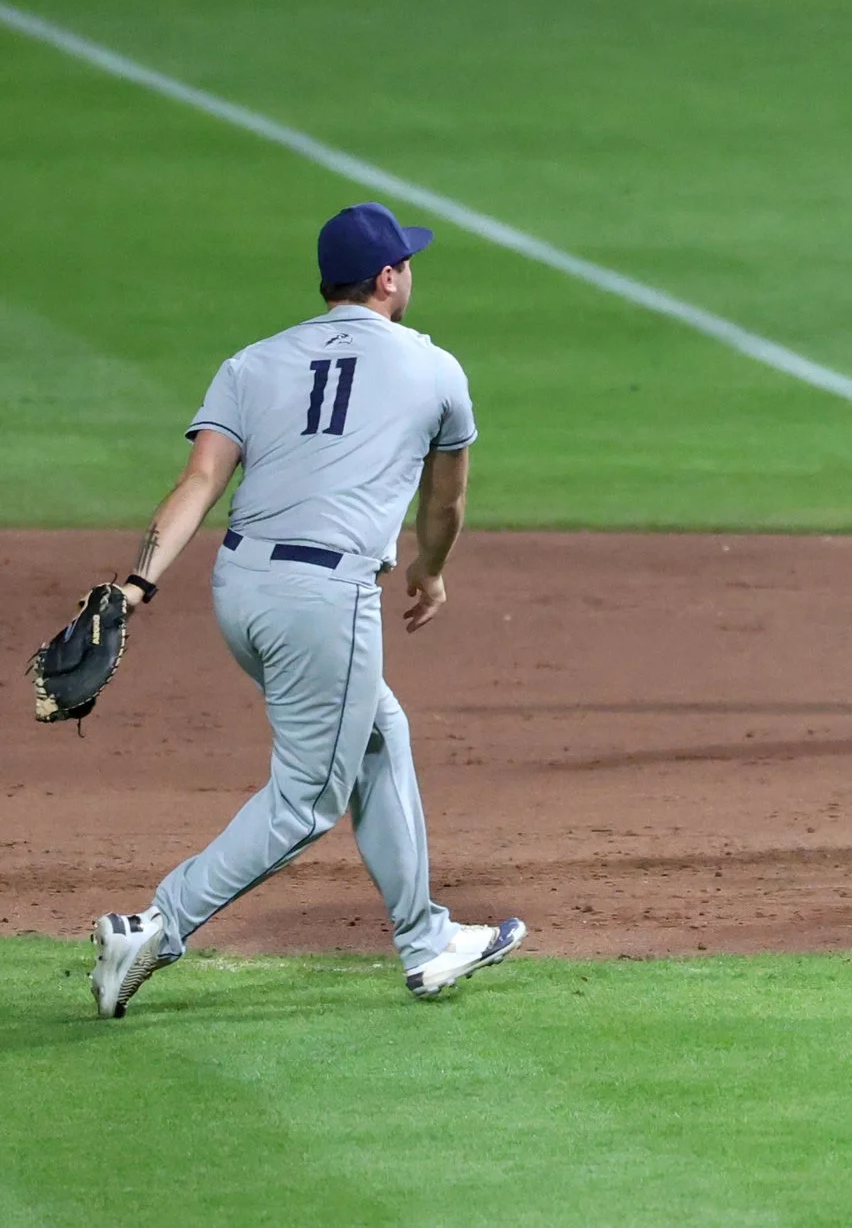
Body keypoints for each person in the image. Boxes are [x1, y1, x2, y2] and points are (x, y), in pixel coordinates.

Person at [87, 202, 525, 1018]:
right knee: (309, 796)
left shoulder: (253, 362)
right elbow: (446, 505)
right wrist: (429, 575)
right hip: (324, 598)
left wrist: (136, 584)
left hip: (241, 588)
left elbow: (198, 486)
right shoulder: (434, 368)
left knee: (376, 736)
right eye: (408, 263)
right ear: (388, 278)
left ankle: (427, 942)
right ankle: (154, 925)